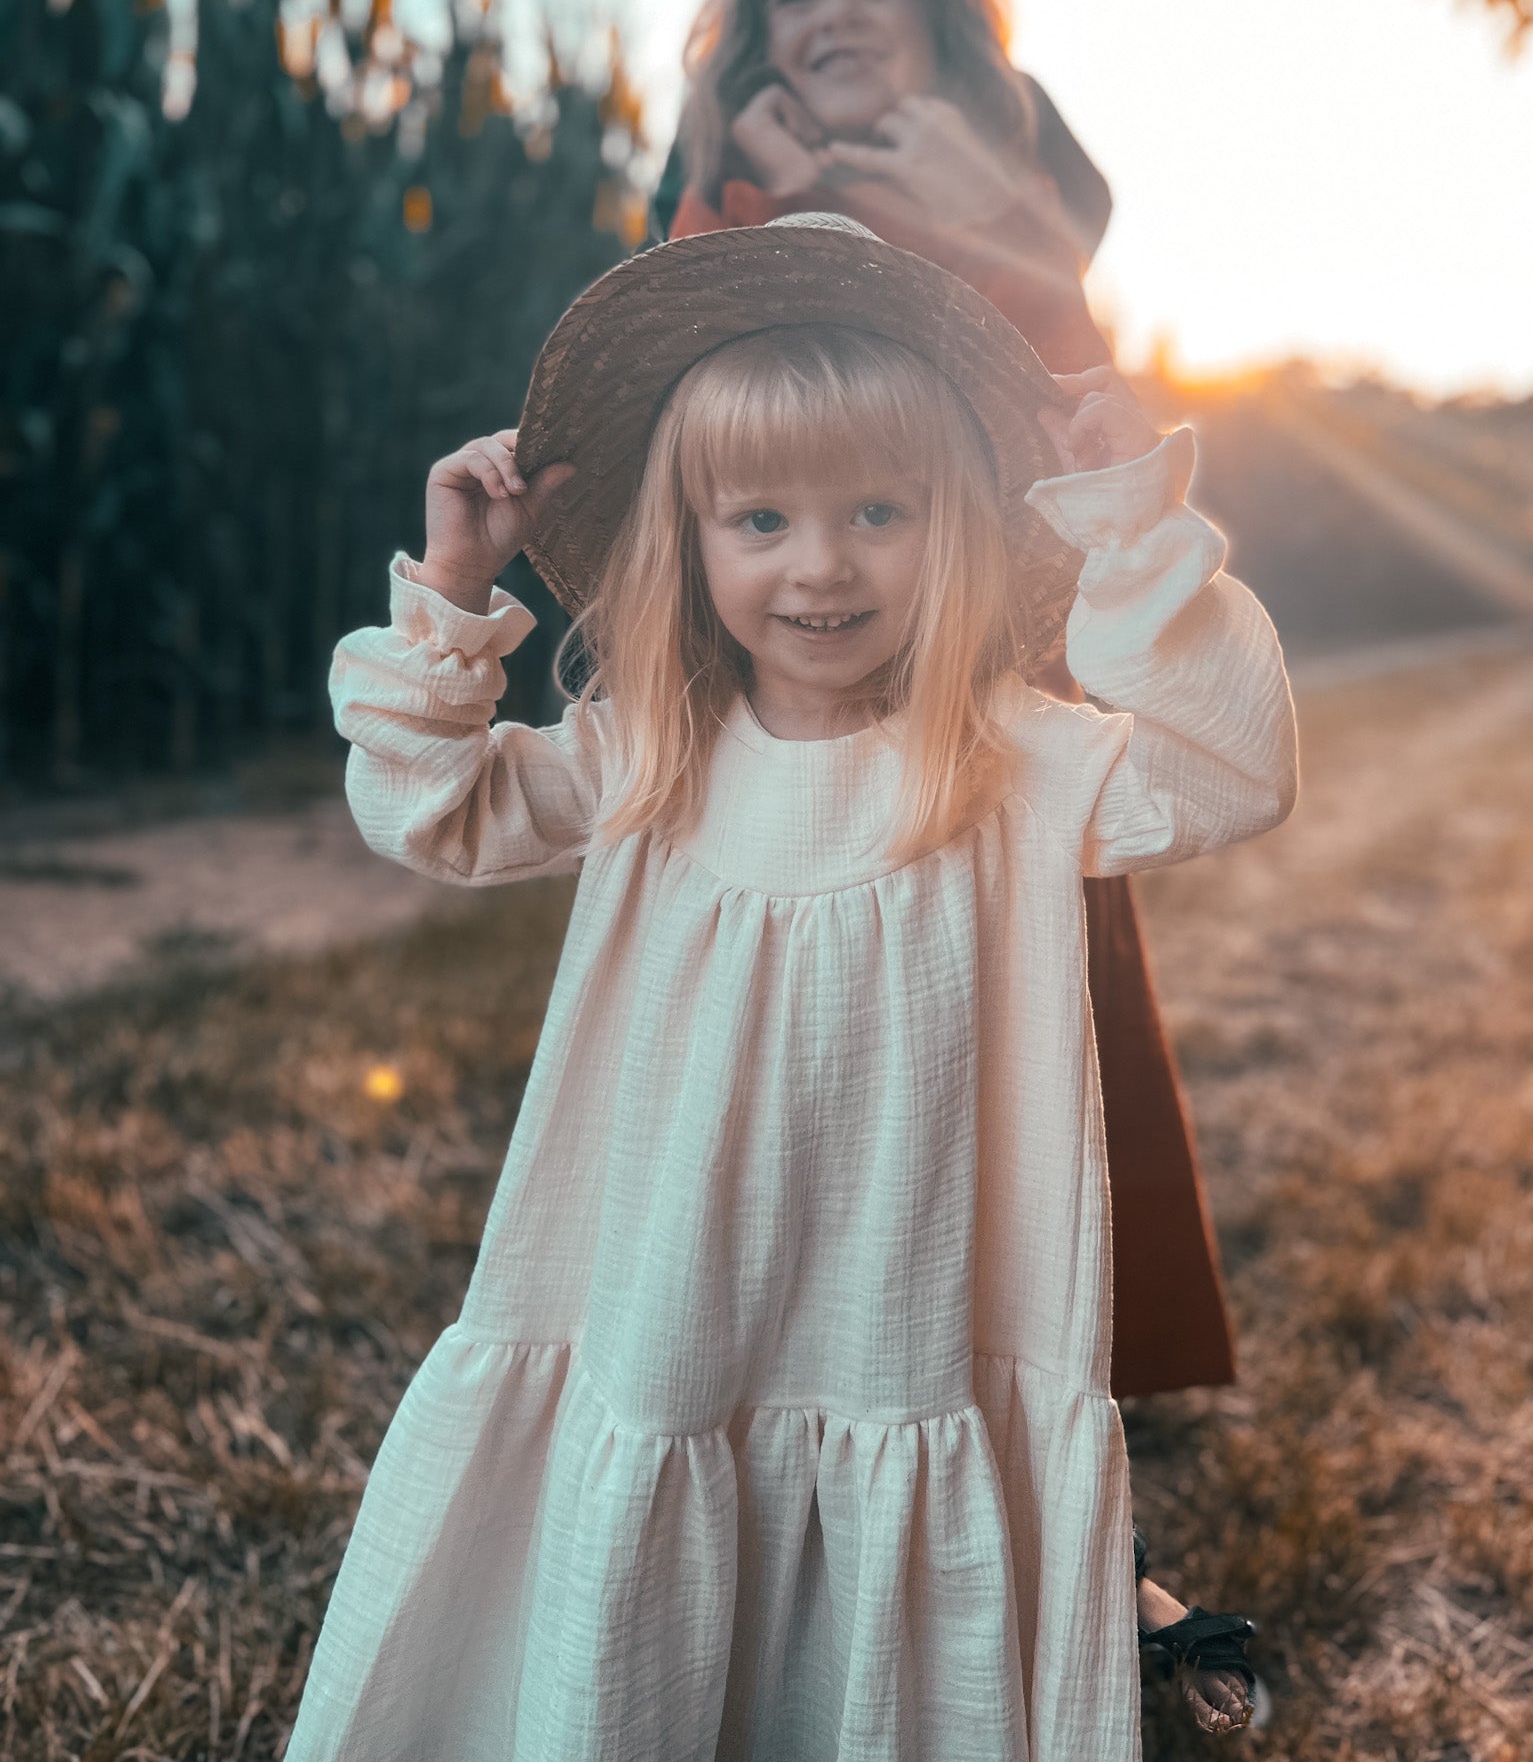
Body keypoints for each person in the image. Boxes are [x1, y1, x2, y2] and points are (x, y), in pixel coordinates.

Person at [286, 213, 1294, 1759]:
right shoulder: (651, 748)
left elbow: (1233, 771)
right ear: (689, 544)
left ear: (956, 522)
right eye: (757, 519)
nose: (819, 564)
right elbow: (430, 812)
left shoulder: (1011, 757)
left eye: (877, 509)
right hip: (672, 1304)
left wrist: (1128, 528)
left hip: (906, 1320)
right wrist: (451, 586)